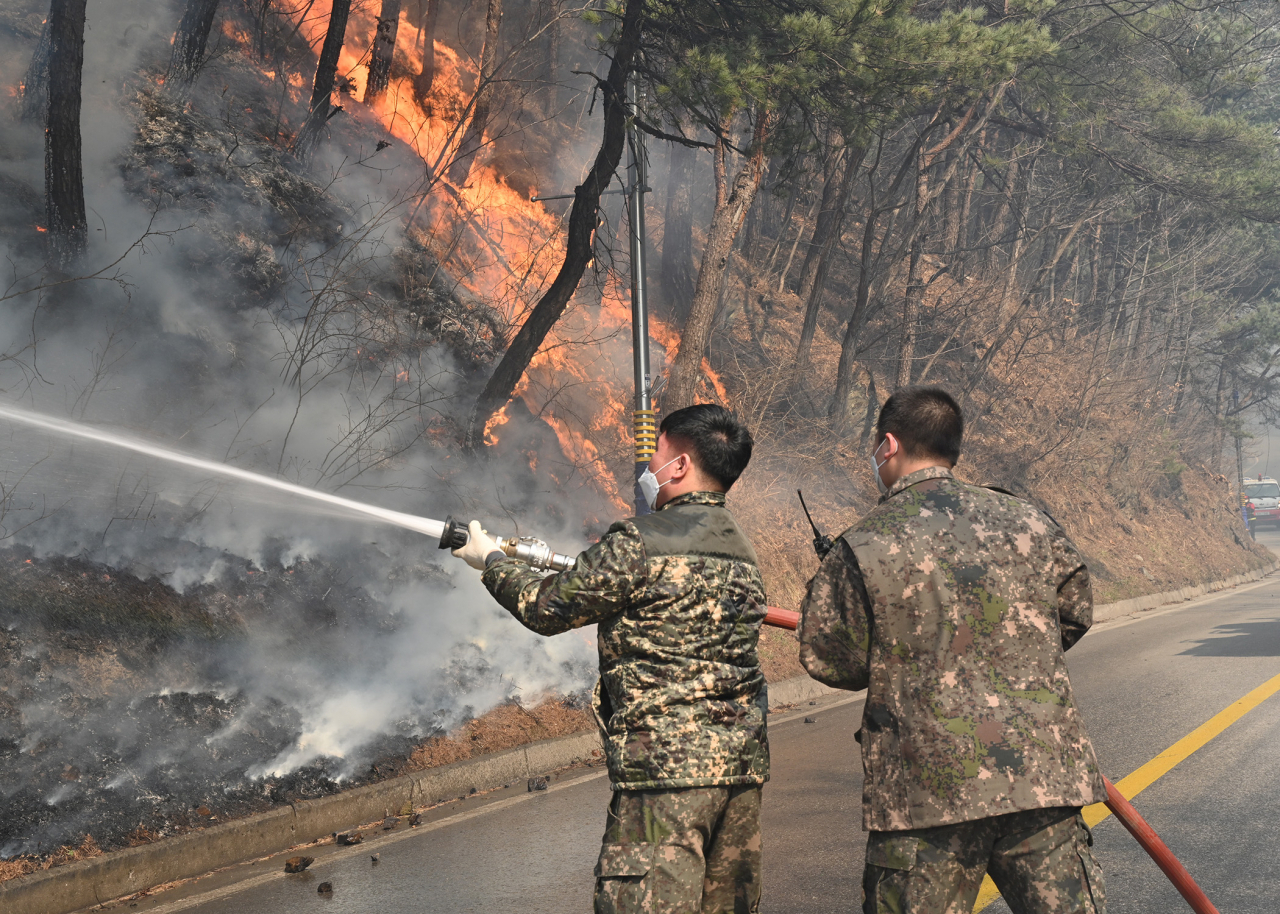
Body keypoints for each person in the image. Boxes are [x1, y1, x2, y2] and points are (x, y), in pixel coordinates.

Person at [798, 386, 1107, 914]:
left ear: (887, 445)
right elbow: (1074, 611)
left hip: (925, 796)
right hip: (1038, 779)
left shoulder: (866, 542)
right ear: (953, 448)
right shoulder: (1028, 521)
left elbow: (833, 659)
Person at [452, 404, 769, 914]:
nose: (649, 470)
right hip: (739, 772)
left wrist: (489, 562)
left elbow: (546, 608)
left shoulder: (641, 542)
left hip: (665, 773)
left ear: (681, 465)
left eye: (657, 456)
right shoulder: (743, 549)